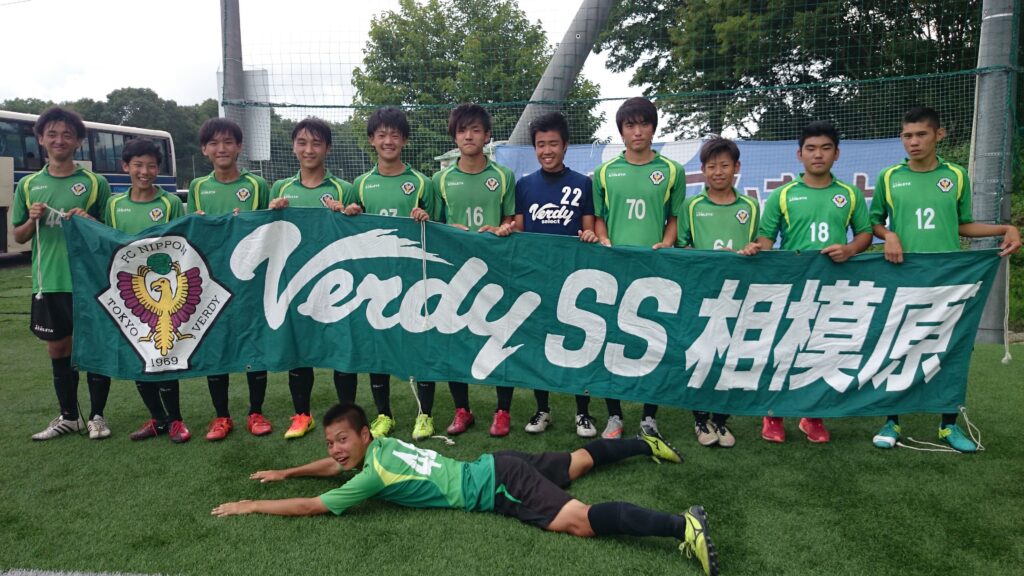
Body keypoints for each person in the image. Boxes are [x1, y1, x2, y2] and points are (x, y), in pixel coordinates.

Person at [211, 403, 718, 576]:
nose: (336, 450)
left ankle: (683, 526)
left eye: (342, 440)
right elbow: (330, 468)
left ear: (364, 435)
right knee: (576, 461)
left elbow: (313, 507)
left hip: (497, 484)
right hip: (498, 462)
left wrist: (253, 504)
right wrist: (287, 472)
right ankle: (645, 443)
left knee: (580, 522)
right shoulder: (380, 447)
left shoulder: (372, 475)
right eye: (331, 443)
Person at [869, 106, 1022, 452]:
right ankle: (892, 421)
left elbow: (963, 224)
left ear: (939, 135)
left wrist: (1005, 228)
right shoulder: (889, 177)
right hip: (904, 278)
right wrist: (888, 235)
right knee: (897, 347)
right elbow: (874, 222)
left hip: (949, 280)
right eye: (907, 136)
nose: (913, 142)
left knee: (950, 349)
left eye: (921, 134)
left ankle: (947, 425)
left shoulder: (955, 175)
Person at [739, 120, 872, 444]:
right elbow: (767, 238)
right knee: (784, 350)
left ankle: (812, 416)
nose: (818, 154)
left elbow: (865, 234)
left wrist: (850, 249)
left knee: (822, 351)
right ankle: (773, 414)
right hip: (794, 286)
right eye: (811, 149)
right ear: (799, 154)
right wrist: (756, 247)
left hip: (834, 286)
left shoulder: (849, 194)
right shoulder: (783, 194)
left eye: (825, 148)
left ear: (837, 154)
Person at [328, 106, 438, 441]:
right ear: (372, 140)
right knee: (379, 346)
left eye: (395, 135)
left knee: (420, 344)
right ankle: (384, 415)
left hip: (415, 278)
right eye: (382, 135)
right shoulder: (360, 184)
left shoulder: (422, 182)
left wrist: (426, 218)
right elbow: (347, 229)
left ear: (404, 140)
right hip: (375, 281)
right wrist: (348, 213)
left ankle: (425, 415)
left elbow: (441, 229)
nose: (388, 141)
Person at [13, 106, 114, 441]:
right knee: (58, 350)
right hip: (50, 280)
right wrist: (32, 219)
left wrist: (89, 221)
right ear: (41, 139)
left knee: (95, 349)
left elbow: (111, 234)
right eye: (52, 134)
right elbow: (18, 236)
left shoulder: (95, 183)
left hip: (90, 282)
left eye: (67, 134)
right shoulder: (28, 185)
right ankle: (69, 417)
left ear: (78, 141)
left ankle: (97, 416)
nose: (60, 140)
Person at [593, 97, 685, 441]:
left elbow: (675, 218)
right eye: (630, 125)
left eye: (644, 124)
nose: (637, 131)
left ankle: (649, 418)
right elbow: (599, 219)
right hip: (615, 269)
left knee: (654, 341)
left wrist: (666, 244)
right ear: (621, 131)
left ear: (653, 128)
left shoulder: (671, 171)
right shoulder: (605, 172)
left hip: (654, 269)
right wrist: (604, 241)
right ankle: (614, 417)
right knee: (611, 341)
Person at [428, 103, 517, 437]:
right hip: (456, 271)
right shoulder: (440, 179)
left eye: (475, 130)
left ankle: (503, 410)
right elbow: (435, 225)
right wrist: (445, 228)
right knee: (455, 339)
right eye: (462, 130)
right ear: (454, 136)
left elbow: (511, 219)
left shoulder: (503, 176)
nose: (469, 136)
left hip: (496, 270)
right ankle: (462, 410)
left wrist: (504, 228)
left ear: (487, 135)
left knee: (500, 334)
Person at [512, 111, 600, 438]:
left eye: (553, 143)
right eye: (540, 144)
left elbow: (589, 230)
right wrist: (505, 231)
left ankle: (583, 413)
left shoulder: (582, 184)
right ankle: (542, 409)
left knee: (578, 342)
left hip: (574, 277)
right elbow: (519, 230)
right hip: (537, 278)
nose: (546, 150)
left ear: (565, 146)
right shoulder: (524, 185)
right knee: (539, 344)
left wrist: (589, 236)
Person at [187, 117, 273, 441]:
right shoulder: (198, 187)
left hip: (249, 281)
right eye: (214, 143)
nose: (221, 148)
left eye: (228, 142)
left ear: (239, 147)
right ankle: (221, 416)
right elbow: (190, 236)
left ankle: (256, 412)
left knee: (253, 344)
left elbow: (268, 230)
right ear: (204, 149)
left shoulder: (257, 185)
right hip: (210, 281)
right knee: (215, 346)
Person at [269, 116, 354, 440]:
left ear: (327, 148)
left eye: (316, 143)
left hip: (335, 281)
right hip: (295, 282)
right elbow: (267, 234)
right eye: (302, 142)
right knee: (298, 348)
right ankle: (302, 415)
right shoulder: (280, 189)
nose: (309, 149)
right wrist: (272, 211)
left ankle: (346, 416)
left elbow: (355, 231)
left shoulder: (343, 188)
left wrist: (346, 213)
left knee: (341, 347)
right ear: (293, 147)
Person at [105, 138, 191, 443]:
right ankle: (158, 419)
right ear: (125, 167)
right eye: (138, 165)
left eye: (151, 166)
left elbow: (181, 245)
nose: (145, 171)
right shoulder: (114, 204)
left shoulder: (170, 203)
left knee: (164, 355)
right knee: (137, 356)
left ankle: (176, 420)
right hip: (127, 292)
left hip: (163, 292)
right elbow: (108, 243)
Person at [676, 137, 760, 448]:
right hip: (702, 294)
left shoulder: (749, 206)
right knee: (702, 355)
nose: (718, 172)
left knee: (731, 356)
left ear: (737, 167)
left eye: (725, 165)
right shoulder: (692, 206)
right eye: (711, 166)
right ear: (703, 170)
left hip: (738, 294)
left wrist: (751, 249)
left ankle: (722, 420)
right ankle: (700, 419)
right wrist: (704, 260)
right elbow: (681, 247)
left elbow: (758, 245)